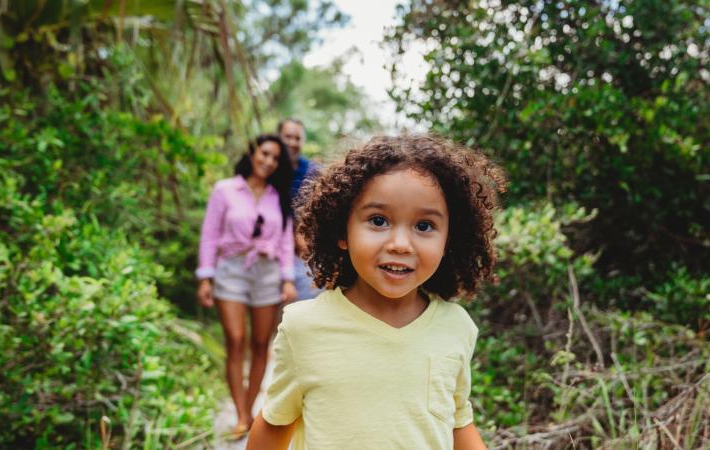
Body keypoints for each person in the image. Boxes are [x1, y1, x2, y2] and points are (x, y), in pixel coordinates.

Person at [247, 135, 505, 449]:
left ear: (449, 239)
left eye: (424, 226)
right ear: (343, 231)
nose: (400, 243)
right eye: (378, 220)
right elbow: (274, 425)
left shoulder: (457, 327)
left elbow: (458, 423)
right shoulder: (304, 327)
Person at [196, 134, 299, 440]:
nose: (268, 161)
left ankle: (250, 408)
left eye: (275, 158)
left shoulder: (277, 197)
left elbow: (284, 241)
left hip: (266, 273)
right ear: (253, 153)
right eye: (264, 154)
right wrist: (205, 276)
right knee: (236, 339)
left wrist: (287, 279)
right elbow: (209, 235)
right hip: (231, 270)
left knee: (260, 344)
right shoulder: (225, 190)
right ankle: (242, 415)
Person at [278, 118, 323, 300]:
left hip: (302, 252)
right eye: (287, 137)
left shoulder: (313, 172)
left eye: (297, 138)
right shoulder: (267, 169)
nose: (292, 142)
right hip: (269, 251)